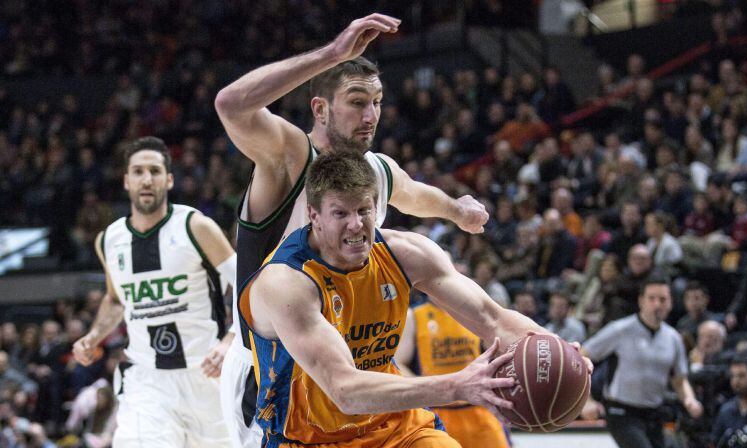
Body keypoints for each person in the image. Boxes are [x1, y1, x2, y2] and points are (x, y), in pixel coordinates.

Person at [214, 13, 489, 447]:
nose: (372, 114)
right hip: (275, 372)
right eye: (358, 101)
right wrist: (331, 55)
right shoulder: (290, 157)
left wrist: (458, 210)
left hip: (356, 371)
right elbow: (231, 105)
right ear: (320, 108)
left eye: (377, 101)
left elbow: (417, 196)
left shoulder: (376, 171)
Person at [242, 151, 589, 447]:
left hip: (395, 427)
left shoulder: (407, 254)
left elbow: (492, 318)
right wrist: (457, 386)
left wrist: (557, 348)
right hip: (308, 438)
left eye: (364, 210)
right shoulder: (286, 283)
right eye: (340, 213)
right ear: (314, 215)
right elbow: (344, 389)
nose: (356, 225)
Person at [72, 136, 234, 446]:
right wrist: (94, 337)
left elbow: (249, 286)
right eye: (138, 171)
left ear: (169, 179)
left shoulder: (196, 227)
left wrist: (230, 341)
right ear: (126, 181)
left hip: (207, 375)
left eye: (155, 171)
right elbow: (115, 299)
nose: (147, 179)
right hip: (147, 379)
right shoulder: (109, 239)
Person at [582, 276, 703, 448]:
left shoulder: (673, 338)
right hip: (621, 411)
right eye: (652, 298)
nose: (657, 304)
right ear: (641, 301)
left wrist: (690, 400)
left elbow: (679, 380)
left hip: (654, 413)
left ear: (670, 303)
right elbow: (580, 357)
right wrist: (586, 400)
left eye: (662, 299)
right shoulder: (620, 330)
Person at [394, 294, 509, 448]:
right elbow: (398, 363)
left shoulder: (474, 313)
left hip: (478, 407)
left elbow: (497, 352)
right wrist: (428, 389)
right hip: (438, 410)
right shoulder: (413, 316)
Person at [711, 353, 747, 447]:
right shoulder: (726, 411)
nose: (736, 381)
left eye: (741, 376)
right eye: (733, 376)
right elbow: (714, 443)